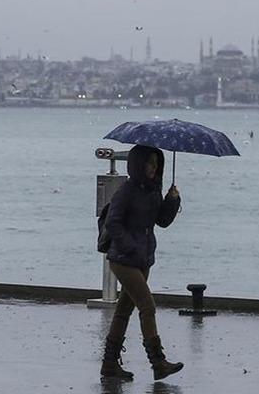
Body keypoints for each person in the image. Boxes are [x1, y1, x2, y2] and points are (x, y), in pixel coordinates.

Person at [100, 144, 183, 381]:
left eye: (157, 164)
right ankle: (158, 362)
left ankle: (109, 365)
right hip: (123, 259)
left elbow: (162, 221)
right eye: (149, 163)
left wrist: (172, 200)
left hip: (143, 259)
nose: (153, 168)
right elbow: (112, 223)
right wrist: (130, 246)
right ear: (138, 164)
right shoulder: (126, 191)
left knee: (123, 311)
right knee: (147, 306)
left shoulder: (153, 190)